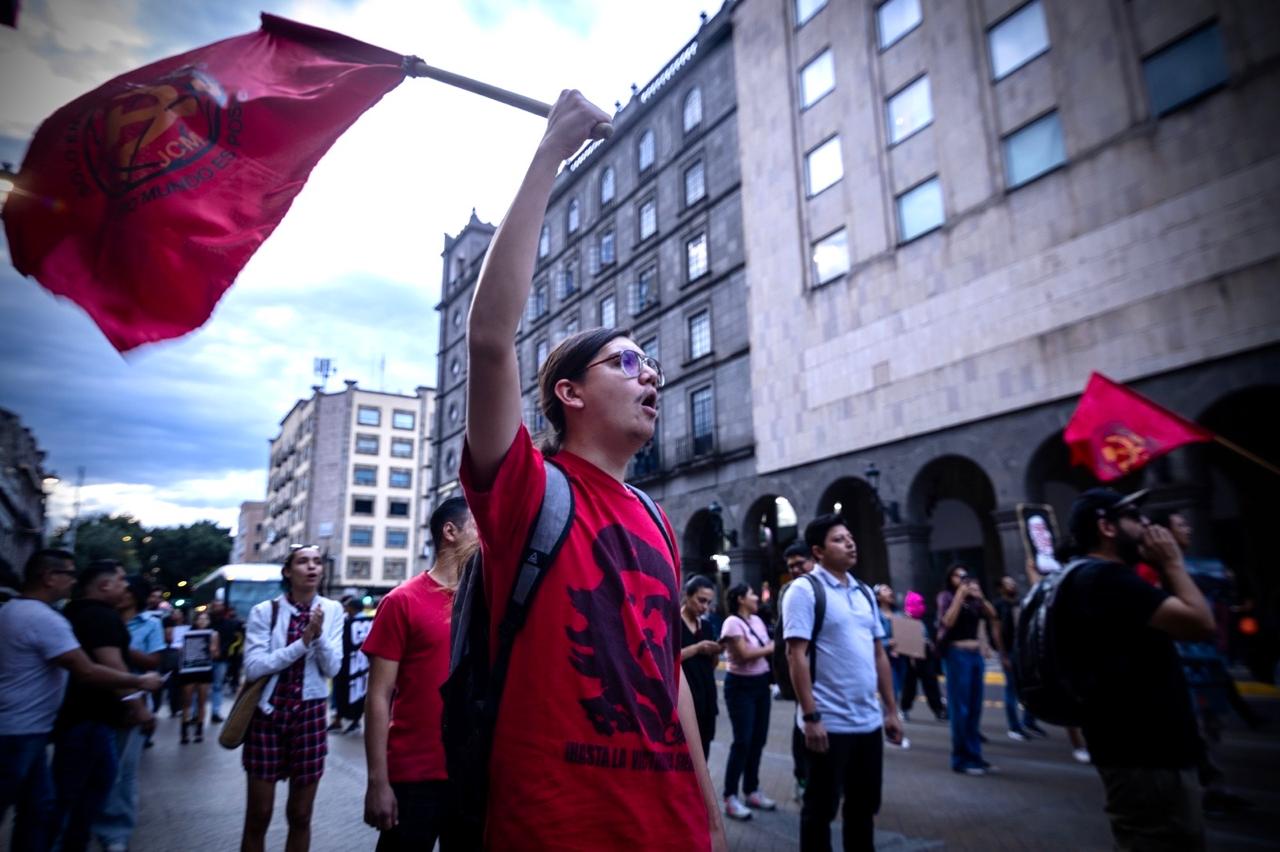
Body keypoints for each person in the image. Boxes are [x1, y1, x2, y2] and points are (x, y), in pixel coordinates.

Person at [460, 89, 723, 851]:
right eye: (628, 362)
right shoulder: (525, 492)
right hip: (552, 827)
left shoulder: (656, 519)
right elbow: (488, 338)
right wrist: (551, 151)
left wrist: (707, 819)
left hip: (669, 829)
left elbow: (665, 672)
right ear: (568, 393)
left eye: (654, 366)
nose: (653, 378)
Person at [1056, 488, 1214, 849]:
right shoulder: (1108, 580)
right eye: (1135, 517)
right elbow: (1200, 624)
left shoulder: (1084, 577)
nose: (1146, 525)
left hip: (1131, 749)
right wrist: (1172, 562)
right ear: (1107, 527)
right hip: (1148, 752)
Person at [0, 550, 161, 852]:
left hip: (32, 726)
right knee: (76, 795)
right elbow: (87, 669)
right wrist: (139, 687)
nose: (71, 581)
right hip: (28, 729)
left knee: (40, 807)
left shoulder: (22, 611)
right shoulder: (48, 618)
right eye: (68, 574)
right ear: (49, 577)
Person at [362, 497, 481, 850]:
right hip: (414, 778)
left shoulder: (484, 601)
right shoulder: (401, 601)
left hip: (470, 775)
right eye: (478, 527)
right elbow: (378, 696)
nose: (488, 535)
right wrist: (377, 782)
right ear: (450, 532)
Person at [783, 515, 903, 852]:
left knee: (863, 811)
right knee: (819, 813)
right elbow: (797, 656)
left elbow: (879, 654)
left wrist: (891, 711)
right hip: (828, 725)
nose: (850, 543)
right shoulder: (805, 591)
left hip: (867, 723)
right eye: (839, 539)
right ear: (818, 551)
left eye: (850, 536)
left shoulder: (865, 592)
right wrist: (811, 717)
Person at [239, 546, 344, 852]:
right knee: (258, 815)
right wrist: (303, 643)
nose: (311, 567)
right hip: (267, 715)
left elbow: (333, 668)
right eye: (303, 562)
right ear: (288, 571)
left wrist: (319, 634)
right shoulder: (264, 612)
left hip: (310, 715)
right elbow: (254, 667)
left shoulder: (332, 610)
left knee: (300, 815)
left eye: (317, 561)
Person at [52, 560, 158, 852]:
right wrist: (139, 704)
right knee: (91, 788)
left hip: (75, 717)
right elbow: (110, 665)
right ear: (104, 585)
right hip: (92, 719)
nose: (126, 586)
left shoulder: (72, 612)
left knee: (75, 789)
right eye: (121, 580)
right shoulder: (101, 618)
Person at [92, 574, 166, 852]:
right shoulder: (101, 618)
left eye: (125, 589)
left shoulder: (150, 624)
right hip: (99, 698)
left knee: (124, 769)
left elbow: (154, 660)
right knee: (96, 765)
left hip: (133, 701)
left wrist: (117, 647)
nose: (119, 592)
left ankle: (115, 832)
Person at [936, 564, 1002, 775]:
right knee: (960, 709)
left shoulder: (974, 600)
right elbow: (947, 621)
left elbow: (992, 615)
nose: (963, 579)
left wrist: (979, 596)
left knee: (974, 708)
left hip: (975, 657)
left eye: (966, 576)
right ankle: (961, 759)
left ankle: (975, 756)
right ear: (950, 578)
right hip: (957, 656)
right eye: (958, 576)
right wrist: (959, 596)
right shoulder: (946, 597)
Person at [719, 583, 776, 820]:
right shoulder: (732, 623)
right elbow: (743, 655)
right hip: (740, 687)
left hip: (761, 684)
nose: (756, 598)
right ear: (741, 599)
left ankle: (751, 789)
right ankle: (730, 797)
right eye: (752, 594)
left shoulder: (757, 621)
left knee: (758, 740)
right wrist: (774, 647)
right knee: (742, 741)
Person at [782, 540, 815, 801]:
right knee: (802, 727)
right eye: (790, 566)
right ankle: (802, 777)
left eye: (799, 564)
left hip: (827, 676)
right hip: (803, 676)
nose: (794, 570)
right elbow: (784, 644)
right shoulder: (789, 593)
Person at [993, 576, 1046, 740]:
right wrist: (1002, 655)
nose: (1012, 585)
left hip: (1025, 651)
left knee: (1031, 686)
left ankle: (1029, 721)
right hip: (1010, 651)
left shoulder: (1022, 602)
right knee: (1012, 689)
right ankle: (1014, 727)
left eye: (1013, 582)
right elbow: (997, 631)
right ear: (1001, 588)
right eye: (1008, 583)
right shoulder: (999, 606)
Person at [679, 575, 722, 763]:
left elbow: (711, 665)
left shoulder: (705, 625)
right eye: (701, 600)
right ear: (687, 596)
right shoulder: (674, 623)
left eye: (708, 602)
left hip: (706, 698)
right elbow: (670, 659)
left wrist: (715, 652)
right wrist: (697, 648)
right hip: (685, 701)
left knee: (703, 753)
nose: (704, 607)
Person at [897, 591, 946, 723]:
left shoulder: (922, 619)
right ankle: (904, 708)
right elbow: (906, 641)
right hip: (911, 656)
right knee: (909, 686)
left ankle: (938, 710)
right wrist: (912, 658)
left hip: (926, 655)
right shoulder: (905, 619)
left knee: (931, 683)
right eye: (919, 603)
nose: (922, 606)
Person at [177, 609, 220, 744]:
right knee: (187, 702)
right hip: (189, 669)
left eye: (205, 619)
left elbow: (217, 654)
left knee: (202, 701)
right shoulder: (186, 633)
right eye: (200, 619)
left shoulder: (213, 634)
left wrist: (213, 651)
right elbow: (179, 649)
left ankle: (199, 731)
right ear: (195, 620)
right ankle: (184, 731)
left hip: (204, 669)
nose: (203, 621)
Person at [211, 600, 242, 723]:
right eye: (216, 606)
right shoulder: (208, 623)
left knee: (217, 686)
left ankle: (215, 711)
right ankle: (195, 713)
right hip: (205, 660)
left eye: (220, 606)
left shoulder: (231, 623)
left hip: (222, 659)